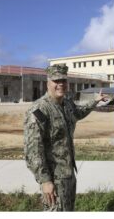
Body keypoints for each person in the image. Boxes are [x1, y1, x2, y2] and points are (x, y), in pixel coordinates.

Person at [24, 64, 108, 211]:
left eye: (63, 80)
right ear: (48, 83)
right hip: (54, 178)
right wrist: (45, 181)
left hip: (69, 173)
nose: (60, 84)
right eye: (56, 81)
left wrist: (94, 101)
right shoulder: (39, 110)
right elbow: (33, 150)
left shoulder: (67, 103)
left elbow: (78, 112)